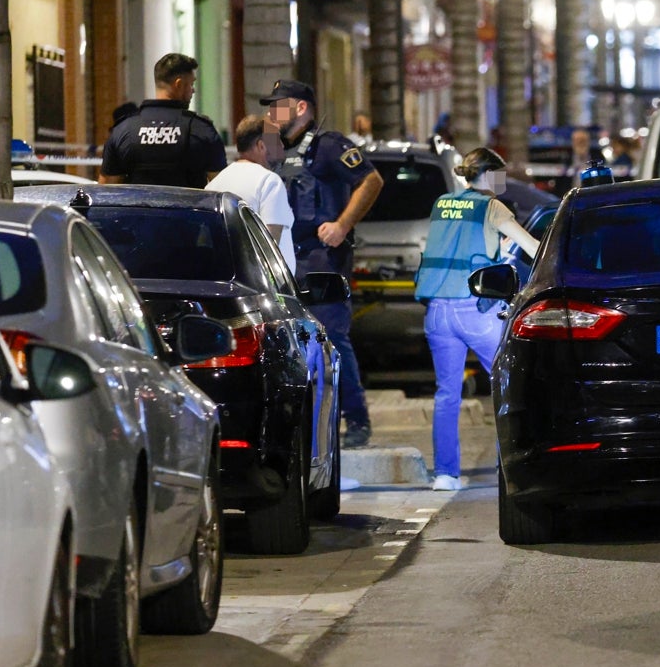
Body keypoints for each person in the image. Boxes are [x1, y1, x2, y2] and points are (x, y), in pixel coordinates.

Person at [262, 79, 384, 449]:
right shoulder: (276, 148)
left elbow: (371, 180)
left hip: (321, 260)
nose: (271, 113)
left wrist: (343, 224)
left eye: (278, 106)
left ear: (301, 109)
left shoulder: (328, 146)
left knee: (333, 339)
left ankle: (357, 419)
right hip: (286, 258)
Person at [413, 148, 540, 491]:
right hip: (475, 310)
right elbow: (532, 248)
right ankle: (512, 468)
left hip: (437, 311)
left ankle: (445, 474)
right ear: (489, 175)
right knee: (508, 386)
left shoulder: (442, 203)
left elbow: (454, 244)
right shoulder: (491, 206)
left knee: (447, 394)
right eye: (500, 176)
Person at [100, 53, 227, 187]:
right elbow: (222, 190)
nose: (193, 90)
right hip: (185, 208)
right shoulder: (201, 130)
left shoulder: (124, 130)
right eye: (191, 84)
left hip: (138, 208)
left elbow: (105, 192)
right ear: (178, 84)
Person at [206, 114, 297, 272]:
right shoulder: (269, 182)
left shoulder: (214, 185)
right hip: (267, 288)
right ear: (261, 146)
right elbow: (269, 247)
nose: (282, 147)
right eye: (276, 142)